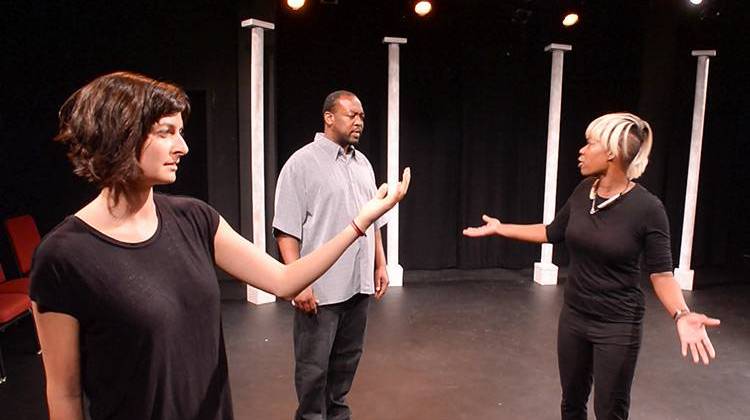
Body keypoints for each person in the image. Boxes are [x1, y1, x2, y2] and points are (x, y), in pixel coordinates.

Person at [29, 72, 410, 420]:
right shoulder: (64, 257)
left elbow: (284, 280)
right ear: (119, 135)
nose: (183, 147)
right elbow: (64, 394)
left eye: (180, 131)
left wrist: (361, 223)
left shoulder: (195, 219)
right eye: (166, 132)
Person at [463, 112, 719, 420]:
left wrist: (682, 314)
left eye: (590, 143)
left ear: (611, 152)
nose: (581, 150)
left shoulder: (649, 209)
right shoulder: (584, 191)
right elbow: (551, 232)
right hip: (574, 318)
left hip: (617, 326)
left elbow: (662, 274)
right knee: (571, 405)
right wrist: (500, 228)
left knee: (609, 411)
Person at [273, 90, 389, 420]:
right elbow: (286, 230)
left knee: (345, 366)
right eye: (352, 114)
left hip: (358, 286)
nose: (359, 122)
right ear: (328, 117)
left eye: (362, 117)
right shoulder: (301, 164)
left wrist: (379, 264)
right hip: (320, 292)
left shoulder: (363, 164)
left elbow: (373, 221)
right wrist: (298, 283)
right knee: (313, 372)